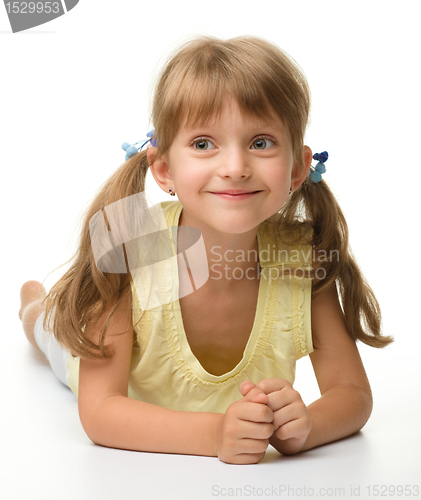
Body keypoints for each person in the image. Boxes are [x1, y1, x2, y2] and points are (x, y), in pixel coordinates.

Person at [19, 35, 393, 465]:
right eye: (203, 144)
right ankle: (33, 306)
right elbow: (101, 412)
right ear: (163, 169)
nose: (235, 168)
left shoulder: (301, 261)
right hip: (85, 356)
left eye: (260, 142)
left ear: (296, 168)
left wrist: (305, 426)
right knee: (49, 330)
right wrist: (216, 434)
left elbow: (353, 394)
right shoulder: (130, 250)